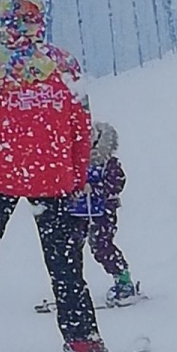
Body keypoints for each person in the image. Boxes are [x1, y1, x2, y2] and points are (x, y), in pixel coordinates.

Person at [0, 0, 109, 352]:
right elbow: (80, 125)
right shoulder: (64, 65)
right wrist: (78, 173)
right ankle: (82, 338)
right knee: (65, 264)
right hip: (52, 179)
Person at [68, 120, 140, 307]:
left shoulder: (108, 162)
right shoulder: (73, 160)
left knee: (101, 245)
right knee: (71, 247)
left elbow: (117, 183)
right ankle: (71, 287)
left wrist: (99, 189)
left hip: (102, 211)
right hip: (78, 211)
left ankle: (123, 280)